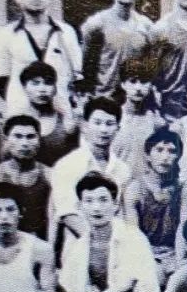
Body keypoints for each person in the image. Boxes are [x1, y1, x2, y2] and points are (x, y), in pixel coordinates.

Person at [0, 0, 83, 116]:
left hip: (60, 113)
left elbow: (76, 75)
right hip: (21, 115)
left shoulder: (66, 32)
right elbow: (0, 79)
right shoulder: (6, 34)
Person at [48, 97, 131, 249]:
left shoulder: (122, 169)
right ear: (85, 126)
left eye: (109, 124)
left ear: (118, 128)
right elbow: (68, 213)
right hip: (78, 246)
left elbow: (121, 214)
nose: (103, 130)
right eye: (97, 123)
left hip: (116, 246)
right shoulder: (67, 165)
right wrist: (101, 244)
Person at [79, 0, 154, 98]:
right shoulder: (96, 24)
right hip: (104, 99)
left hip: (134, 99)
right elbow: (84, 65)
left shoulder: (146, 26)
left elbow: (150, 68)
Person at [122, 127, 186, 287]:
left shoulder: (183, 190)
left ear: (178, 157)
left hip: (175, 254)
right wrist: (151, 263)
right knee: (155, 279)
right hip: (145, 254)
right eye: (159, 150)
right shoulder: (135, 189)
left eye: (172, 151)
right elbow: (133, 236)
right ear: (148, 156)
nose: (165, 157)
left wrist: (179, 262)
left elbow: (184, 231)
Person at [0, 115, 54, 241]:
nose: (24, 143)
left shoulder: (50, 175)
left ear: (39, 140)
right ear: (6, 139)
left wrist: (49, 248)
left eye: (30, 137)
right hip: (0, 243)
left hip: (37, 243)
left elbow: (54, 218)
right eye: (18, 136)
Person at [109, 44, 167, 173]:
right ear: (123, 84)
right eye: (133, 81)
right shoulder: (113, 118)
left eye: (144, 82)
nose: (138, 88)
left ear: (150, 85)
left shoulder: (156, 121)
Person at [7, 60, 78, 166]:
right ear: (24, 87)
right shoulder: (14, 123)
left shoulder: (67, 123)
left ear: (55, 88)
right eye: (35, 83)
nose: (42, 89)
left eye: (48, 83)